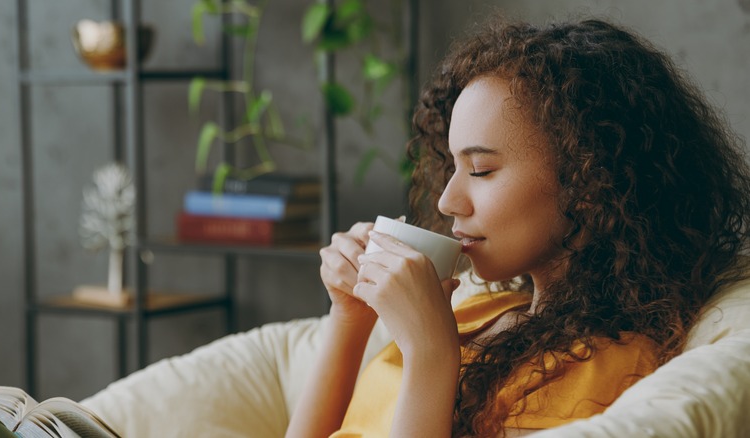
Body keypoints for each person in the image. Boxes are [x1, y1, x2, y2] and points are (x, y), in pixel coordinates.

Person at [285, 17, 750, 437]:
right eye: (451, 166)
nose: (447, 200)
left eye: (482, 169)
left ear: (590, 183)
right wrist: (350, 317)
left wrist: (431, 355)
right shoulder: (476, 313)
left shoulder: (599, 364)